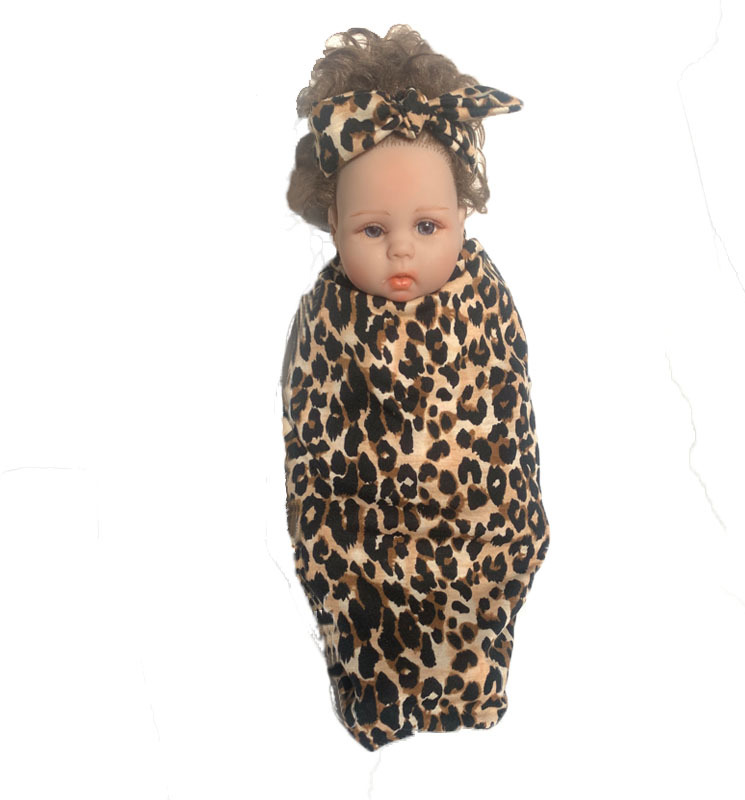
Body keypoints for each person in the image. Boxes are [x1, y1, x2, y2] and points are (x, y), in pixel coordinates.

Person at [281, 24, 550, 752]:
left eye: (427, 225)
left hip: (479, 541)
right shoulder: (325, 322)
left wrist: (511, 530)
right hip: (361, 558)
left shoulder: (486, 304)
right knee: (365, 632)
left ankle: (476, 685)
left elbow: (512, 428)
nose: (402, 247)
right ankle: (372, 696)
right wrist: (331, 544)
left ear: (464, 213)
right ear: (332, 221)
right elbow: (311, 450)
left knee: (480, 623)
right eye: (372, 229)